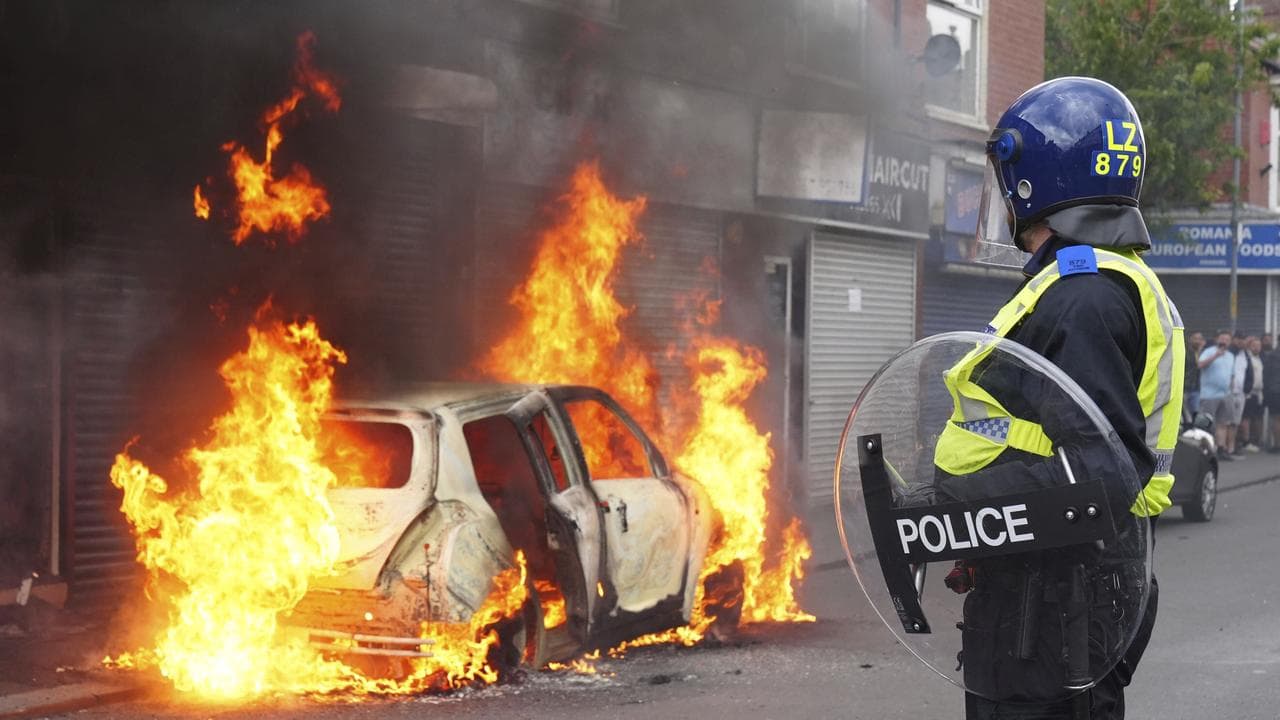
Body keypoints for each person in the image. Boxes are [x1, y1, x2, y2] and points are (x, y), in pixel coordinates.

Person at [934, 77, 1183, 720]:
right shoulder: (1093, 283)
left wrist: (954, 503)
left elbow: (1101, 472)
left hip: (1051, 609)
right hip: (1048, 589)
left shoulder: (1084, 296)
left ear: (1038, 179)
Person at [1198, 330, 1237, 461]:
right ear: (1218, 340)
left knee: (1223, 423)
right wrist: (1215, 355)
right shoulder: (1209, 351)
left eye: (1227, 339)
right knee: (1206, 422)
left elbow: (1232, 375)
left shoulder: (1231, 356)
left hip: (1226, 395)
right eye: (1222, 338)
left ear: (1230, 342)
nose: (1224, 341)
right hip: (1209, 395)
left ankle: (1221, 449)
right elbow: (1200, 364)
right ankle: (1204, 450)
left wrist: (1231, 392)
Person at [1240, 336, 1265, 452]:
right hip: (1248, 393)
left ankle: (1255, 440)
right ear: (1250, 346)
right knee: (1246, 418)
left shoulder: (1260, 358)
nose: (1257, 348)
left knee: (1255, 418)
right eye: (1254, 345)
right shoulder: (1246, 358)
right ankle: (1246, 441)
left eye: (1259, 346)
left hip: (1258, 393)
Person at [1184, 331, 1204, 416]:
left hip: (1196, 388)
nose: (1197, 341)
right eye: (1195, 339)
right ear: (1190, 339)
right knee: (1184, 413)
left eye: (1199, 339)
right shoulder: (1186, 352)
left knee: (1195, 413)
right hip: (1185, 387)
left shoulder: (1202, 352)